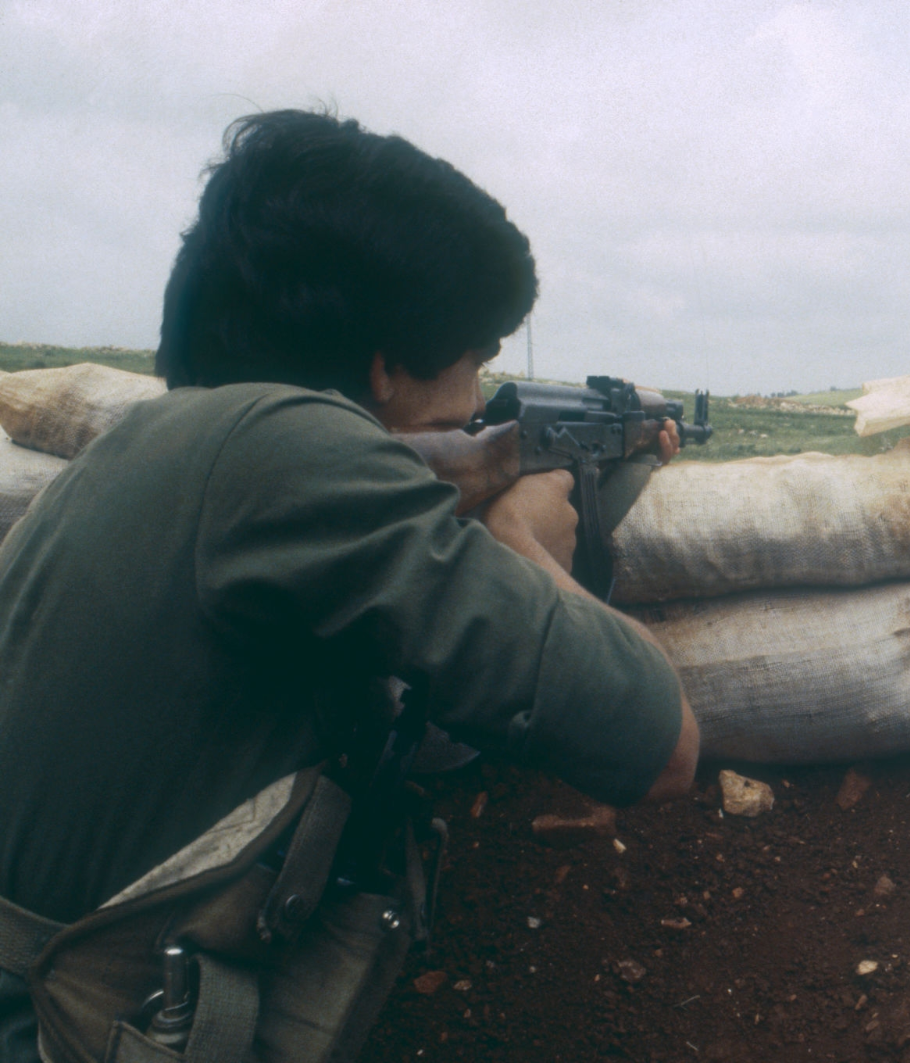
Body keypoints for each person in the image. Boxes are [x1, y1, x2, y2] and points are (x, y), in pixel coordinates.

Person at [0, 110, 697, 1063]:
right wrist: (520, 536)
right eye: (476, 360)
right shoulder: (286, 457)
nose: (479, 395)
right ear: (382, 364)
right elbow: (661, 745)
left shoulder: (155, 448)